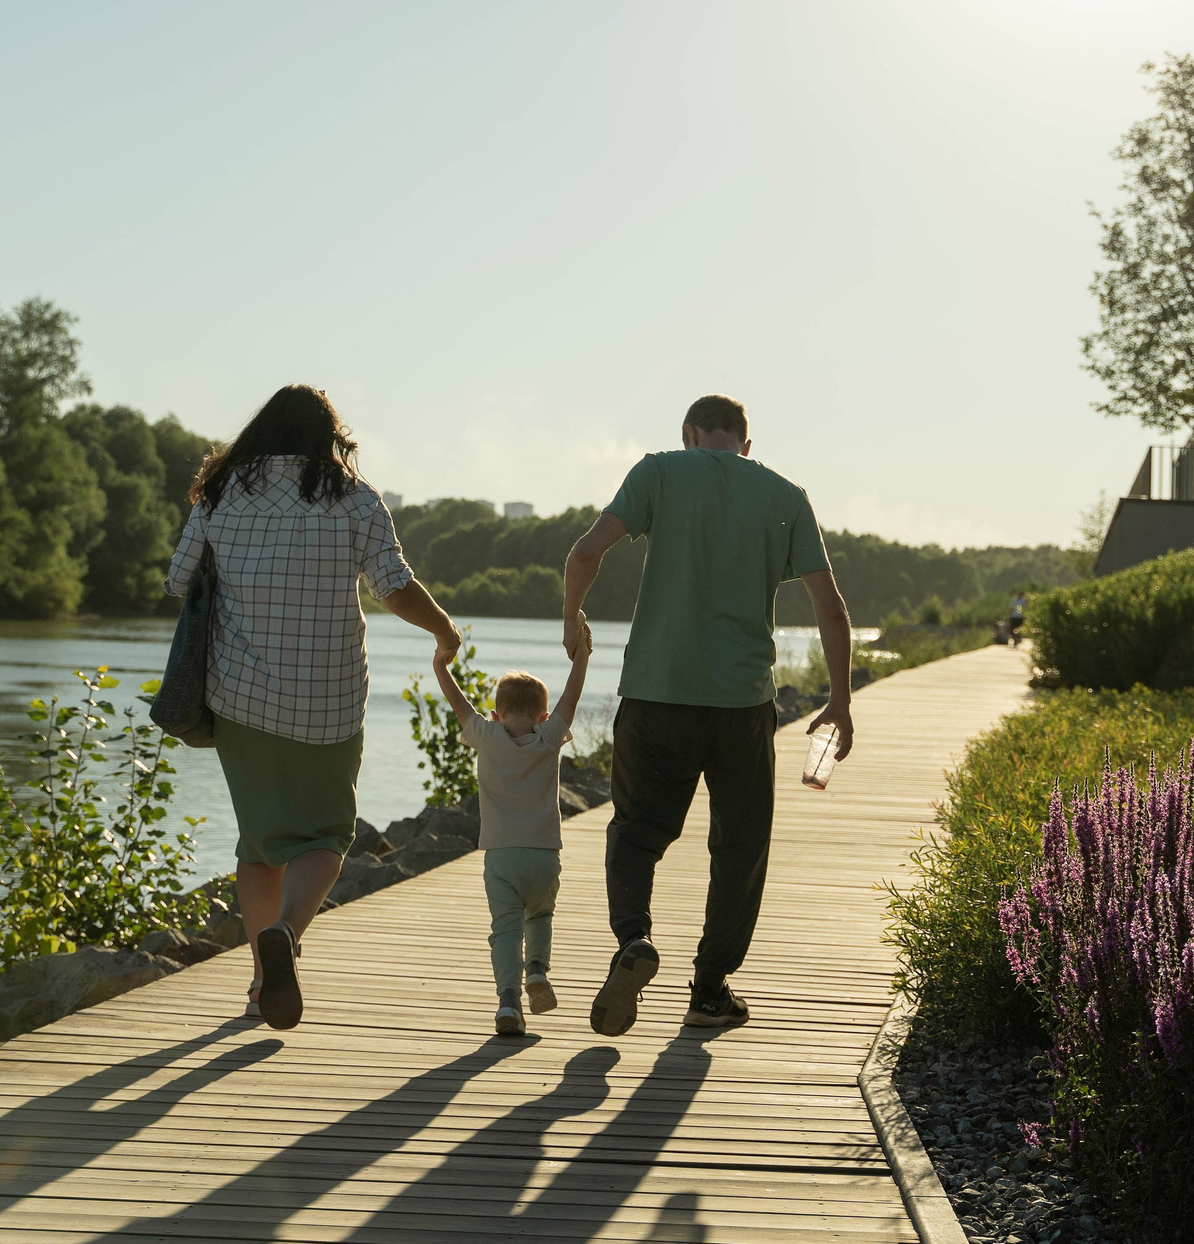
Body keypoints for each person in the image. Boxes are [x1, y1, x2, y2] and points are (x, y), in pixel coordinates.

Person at [163, 384, 461, 1031]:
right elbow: (395, 586)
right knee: (325, 835)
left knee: (259, 843)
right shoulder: (356, 500)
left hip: (240, 699)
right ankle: (288, 938)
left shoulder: (218, 494)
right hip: (329, 701)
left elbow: (178, 580)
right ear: (330, 436)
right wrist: (444, 630)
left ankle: (259, 980)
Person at [561, 393, 854, 1034]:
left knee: (637, 832)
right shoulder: (785, 494)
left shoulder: (659, 471)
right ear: (746, 445)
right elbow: (831, 609)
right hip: (741, 704)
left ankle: (633, 941)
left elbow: (585, 553)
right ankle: (710, 989)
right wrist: (839, 699)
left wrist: (572, 616)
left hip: (655, 692)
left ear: (690, 434)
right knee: (740, 846)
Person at [428, 643, 591, 1036]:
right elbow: (572, 696)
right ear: (544, 715)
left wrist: (441, 664)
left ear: (497, 715)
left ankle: (508, 1002)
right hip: (544, 855)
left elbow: (458, 702)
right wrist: (582, 657)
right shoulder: (549, 735)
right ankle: (537, 969)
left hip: (501, 856)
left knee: (506, 929)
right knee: (541, 915)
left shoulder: (486, 735)